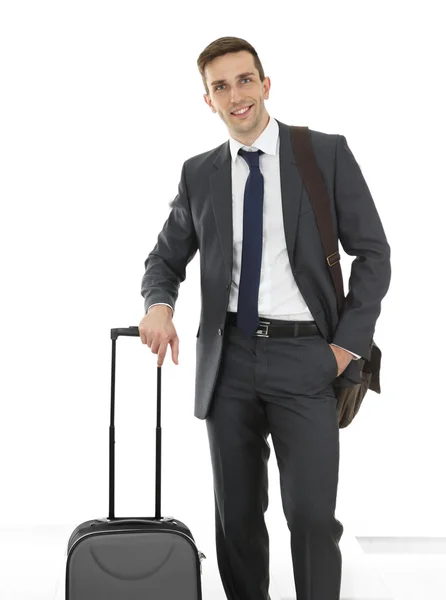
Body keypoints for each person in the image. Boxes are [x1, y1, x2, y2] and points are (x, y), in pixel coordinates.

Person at [138, 36, 391, 600]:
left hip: (308, 359)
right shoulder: (199, 173)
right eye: (220, 87)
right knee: (237, 525)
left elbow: (374, 253)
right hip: (228, 362)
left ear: (265, 84)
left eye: (244, 80)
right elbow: (165, 257)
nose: (236, 95)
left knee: (311, 519)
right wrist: (159, 304)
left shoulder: (321, 153)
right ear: (208, 101)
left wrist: (346, 347)